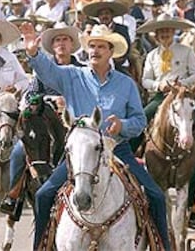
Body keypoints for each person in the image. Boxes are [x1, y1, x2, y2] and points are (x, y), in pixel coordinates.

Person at [20, 22, 171, 251]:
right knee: (44, 195)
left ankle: (163, 248)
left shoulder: (126, 84)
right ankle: (40, 248)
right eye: (91, 46)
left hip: (117, 150)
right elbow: (47, 72)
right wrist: (33, 52)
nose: (94, 51)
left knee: (156, 196)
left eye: (100, 46)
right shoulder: (72, 76)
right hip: (79, 154)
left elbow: (140, 122)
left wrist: (122, 125)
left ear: (111, 51)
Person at [0, 23, 84, 217]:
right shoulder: (43, 70)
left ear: (72, 44)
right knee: (20, 150)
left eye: (65, 39)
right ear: (52, 46)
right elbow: (29, 95)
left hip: (76, 124)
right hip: (45, 125)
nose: (61, 44)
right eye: (57, 40)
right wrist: (48, 100)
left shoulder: (82, 71)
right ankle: (14, 195)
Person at [130, 13, 195, 152]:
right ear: (156, 34)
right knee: (142, 119)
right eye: (161, 31)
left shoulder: (187, 51)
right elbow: (145, 80)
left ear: (173, 31)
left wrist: (182, 84)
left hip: (183, 96)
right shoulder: (152, 55)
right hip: (161, 97)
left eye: (167, 30)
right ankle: (131, 155)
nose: (164, 33)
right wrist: (158, 85)